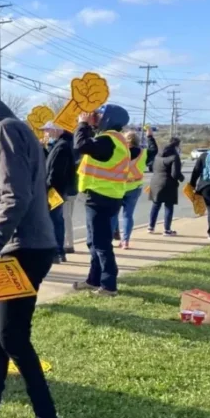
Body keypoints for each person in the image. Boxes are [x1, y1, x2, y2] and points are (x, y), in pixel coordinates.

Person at [0, 97, 64, 418]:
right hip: (18, 248)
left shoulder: (6, 131)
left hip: (22, 250)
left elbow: (14, 197)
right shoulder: (16, 130)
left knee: (13, 338)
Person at [73, 104, 130, 297]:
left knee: (101, 243)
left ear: (109, 118)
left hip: (101, 196)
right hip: (105, 195)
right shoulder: (113, 139)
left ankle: (109, 285)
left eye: (99, 115)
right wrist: (88, 127)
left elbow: (81, 145)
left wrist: (82, 124)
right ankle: (94, 279)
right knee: (93, 241)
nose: (95, 118)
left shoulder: (108, 140)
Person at [42, 121, 76, 264]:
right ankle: (57, 252)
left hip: (55, 190)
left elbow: (56, 172)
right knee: (56, 220)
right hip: (57, 189)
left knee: (54, 221)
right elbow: (49, 162)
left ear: (56, 129)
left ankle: (57, 252)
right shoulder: (60, 145)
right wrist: (43, 149)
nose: (46, 133)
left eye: (48, 130)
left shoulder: (62, 146)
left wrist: (48, 187)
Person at [110, 130, 147, 249]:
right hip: (135, 186)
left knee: (113, 214)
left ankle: (109, 240)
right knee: (128, 215)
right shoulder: (143, 153)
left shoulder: (120, 151)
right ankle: (125, 241)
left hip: (119, 186)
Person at [148, 136, 184, 236]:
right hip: (168, 184)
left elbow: (152, 168)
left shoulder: (158, 155)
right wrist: (181, 177)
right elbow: (175, 174)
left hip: (155, 182)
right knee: (169, 206)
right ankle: (167, 229)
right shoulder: (174, 156)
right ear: (177, 145)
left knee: (156, 204)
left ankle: (151, 226)